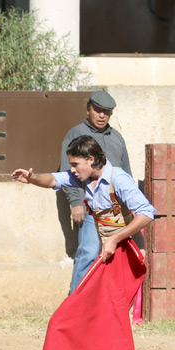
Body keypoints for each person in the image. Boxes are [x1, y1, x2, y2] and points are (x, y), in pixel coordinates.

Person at [0, 135, 155, 350]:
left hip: (125, 253)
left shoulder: (119, 179)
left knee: (110, 316)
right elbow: (53, 180)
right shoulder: (85, 177)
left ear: (91, 160)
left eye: (75, 164)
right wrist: (32, 178)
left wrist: (115, 238)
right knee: (90, 315)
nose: (71, 169)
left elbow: (147, 212)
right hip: (109, 253)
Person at [61, 90, 131, 294]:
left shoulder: (117, 138)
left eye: (107, 112)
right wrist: (75, 201)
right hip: (90, 206)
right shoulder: (75, 134)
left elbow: (126, 172)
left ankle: (106, 307)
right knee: (89, 252)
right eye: (98, 110)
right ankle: (75, 303)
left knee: (116, 256)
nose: (102, 115)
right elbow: (69, 171)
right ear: (88, 109)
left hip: (116, 209)